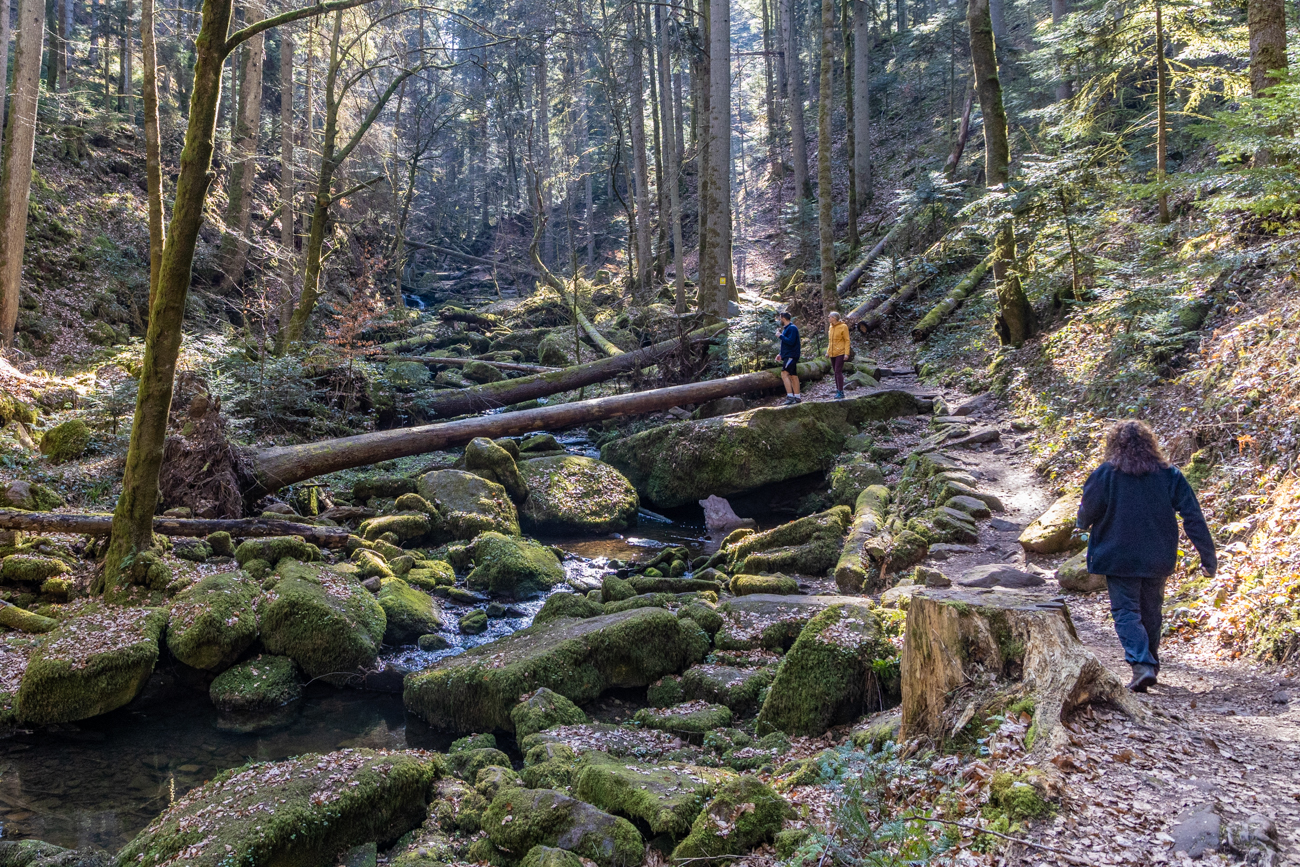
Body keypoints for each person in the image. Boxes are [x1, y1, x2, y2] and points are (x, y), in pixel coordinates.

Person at [1076, 420, 1216, 693]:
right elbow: (1193, 517)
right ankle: (1149, 665)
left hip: (1118, 555)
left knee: (1126, 610)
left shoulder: (1106, 474)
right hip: (1157, 555)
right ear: (1150, 444)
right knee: (1151, 611)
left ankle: (1143, 665)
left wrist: (1081, 523)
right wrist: (1208, 557)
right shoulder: (1169, 475)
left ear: (1114, 445)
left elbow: (1087, 510)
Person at [776, 312, 801, 405]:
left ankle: (790, 396)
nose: (780, 320)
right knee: (793, 376)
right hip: (788, 355)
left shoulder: (792, 328)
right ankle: (797, 397)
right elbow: (786, 344)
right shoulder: (787, 329)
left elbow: (791, 342)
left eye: (780, 318)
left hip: (791, 356)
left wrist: (780, 336)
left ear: (783, 318)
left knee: (784, 374)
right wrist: (780, 354)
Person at [827, 311, 850, 399]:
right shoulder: (831, 327)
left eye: (830, 317)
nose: (828, 318)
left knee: (838, 371)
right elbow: (830, 341)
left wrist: (846, 353)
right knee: (835, 372)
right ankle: (838, 390)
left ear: (834, 318)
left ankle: (841, 391)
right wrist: (827, 352)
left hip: (841, 352)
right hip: (833, 353)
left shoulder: (843, 327)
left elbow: (847, 340)